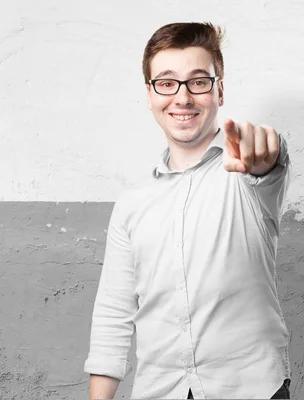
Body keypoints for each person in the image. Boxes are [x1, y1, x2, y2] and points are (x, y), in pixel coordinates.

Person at [83, 22, 292, 399]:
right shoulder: (132, 205)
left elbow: (268, 163)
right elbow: (113, 316)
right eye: (166, 83)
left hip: (253, 388)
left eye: (198, 81)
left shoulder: (244, 174)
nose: (182, 97)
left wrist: (266, 155)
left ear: (219, 89)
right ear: (149, 94)